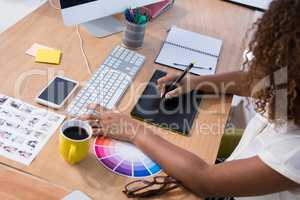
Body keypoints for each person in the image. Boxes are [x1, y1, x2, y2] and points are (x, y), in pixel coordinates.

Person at [80, 0, 300, 199]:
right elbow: (262, 81)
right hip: (238, 168)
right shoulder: (290, 85)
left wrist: (132, 130)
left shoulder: (294, 151)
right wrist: (197, 82)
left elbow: (208, 181)